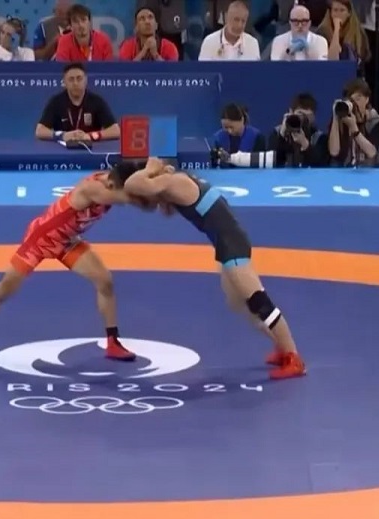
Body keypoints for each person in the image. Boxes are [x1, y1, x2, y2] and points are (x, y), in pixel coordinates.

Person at [107, 158, 306, 380]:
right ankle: (281, 345)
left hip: (232, 244)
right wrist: (157, 187)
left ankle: (293, 357)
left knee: (258, 301)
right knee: (237, 302)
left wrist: (151, 167)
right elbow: (166, 210)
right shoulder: (174, 183)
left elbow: (133, 184)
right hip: (227, 242)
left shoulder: (172, 182)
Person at [0, 171, 151, 361]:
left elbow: (140, 186)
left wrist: (156, 175)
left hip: (67, 240)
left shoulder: (114, 180)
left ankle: (113, 342)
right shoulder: (92, 189)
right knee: (2, 292)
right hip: (40, 240)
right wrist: (159, 191)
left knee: (105, 281)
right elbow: (130, 199)